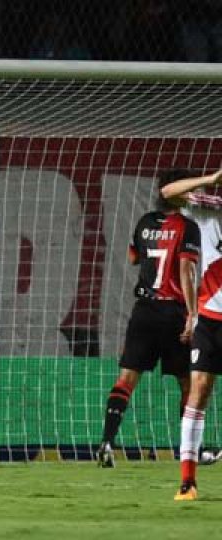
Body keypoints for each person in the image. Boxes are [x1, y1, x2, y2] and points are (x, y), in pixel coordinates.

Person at [96, 169, 201, 467]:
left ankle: (106, 442)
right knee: (187, 383)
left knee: (127, 379)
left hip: (144, 310)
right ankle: (191, 451)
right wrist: (193, 314)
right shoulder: (187, 226)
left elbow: (133, 258)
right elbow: (186, 271)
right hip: (173, 312)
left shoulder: (144, 223)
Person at [159, 168, 222, 500]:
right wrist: (210, 178)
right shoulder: (205, 206)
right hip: (211, 318)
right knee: (199, 390)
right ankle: (187, 482)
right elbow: (169, 191)